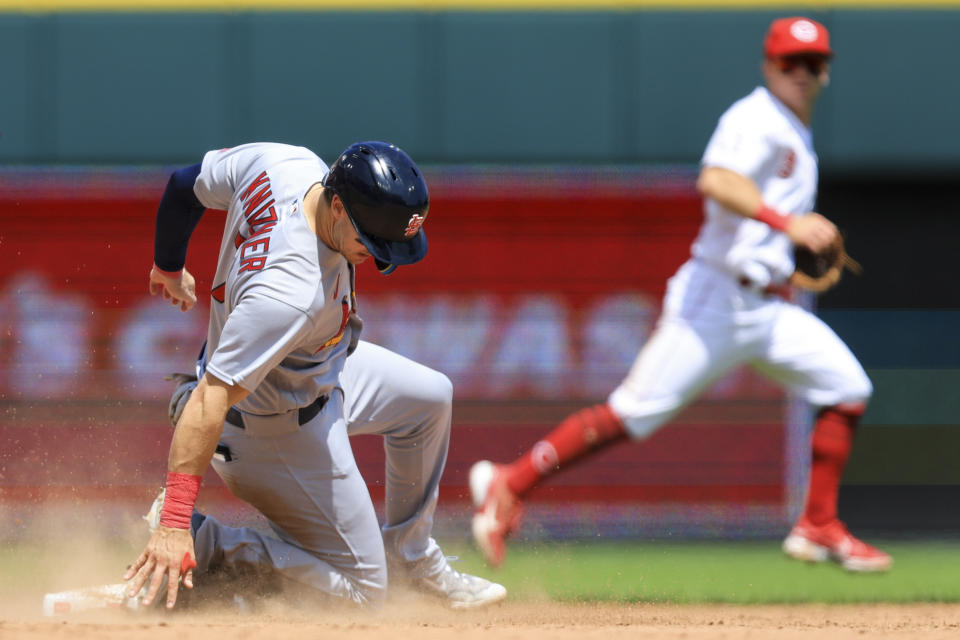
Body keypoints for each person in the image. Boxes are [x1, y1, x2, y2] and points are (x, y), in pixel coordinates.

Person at [469, 17, 891, 573]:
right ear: (770, 65)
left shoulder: (795, 131)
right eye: (792, 61)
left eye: (814, 64)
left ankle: (817, 525)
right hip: (714, 300)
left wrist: (788, 236)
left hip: (767, 306)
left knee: (847, 386)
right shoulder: (755, 118)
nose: (803, 73)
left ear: (826, 72)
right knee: (631, 413)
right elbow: (715, 179)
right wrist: (786, 222)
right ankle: (510, 482)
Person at [122, 141, 507, 610]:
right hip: (269, 427)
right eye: (372, 242)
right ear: (339, 206)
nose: (382, 260)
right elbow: (210, 400)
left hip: (310, 371)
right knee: (365, 594)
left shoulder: (286, 163)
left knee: (430, 398)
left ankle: (413, 559)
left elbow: (185, 184)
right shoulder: (291, 293)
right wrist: (175, 523)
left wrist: (168, 265)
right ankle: (209, 545)